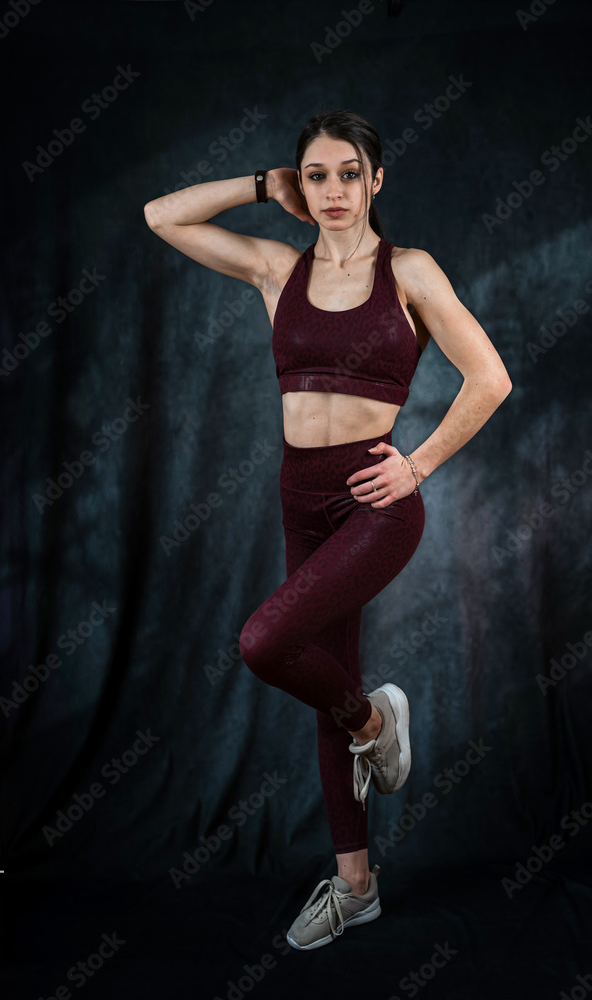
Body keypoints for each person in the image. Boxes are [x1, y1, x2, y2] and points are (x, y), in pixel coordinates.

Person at [144, 108, 512, 951]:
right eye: (316, 175)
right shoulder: (277, 268)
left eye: (349, 173)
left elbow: (488, 377)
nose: (334, 190)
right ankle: (357, 887)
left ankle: (377, 722)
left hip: (373, 502)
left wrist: (415, 465)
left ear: (376, 181)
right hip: (296, 497)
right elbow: (161, 216)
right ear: (297, 186)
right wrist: (255, 187)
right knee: (323, 679)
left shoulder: (409, 271)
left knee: (265, 641)